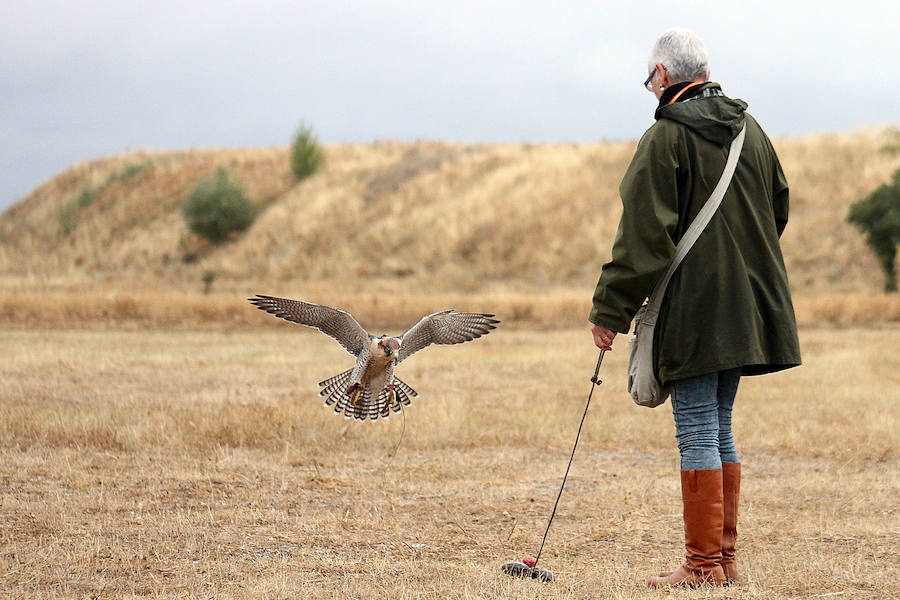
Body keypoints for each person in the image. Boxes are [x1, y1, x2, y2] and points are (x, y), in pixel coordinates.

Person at [588, 29, 801, 587]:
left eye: (648, 77)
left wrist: (609, 310)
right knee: (718, 425)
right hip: (748, 306)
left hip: (696, 309)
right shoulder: (751, 132)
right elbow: (776, 208)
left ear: (661, 76)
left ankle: (705, 565)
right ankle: (721, 559)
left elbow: (642, 239)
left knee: (699, 429)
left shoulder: (665, 140)